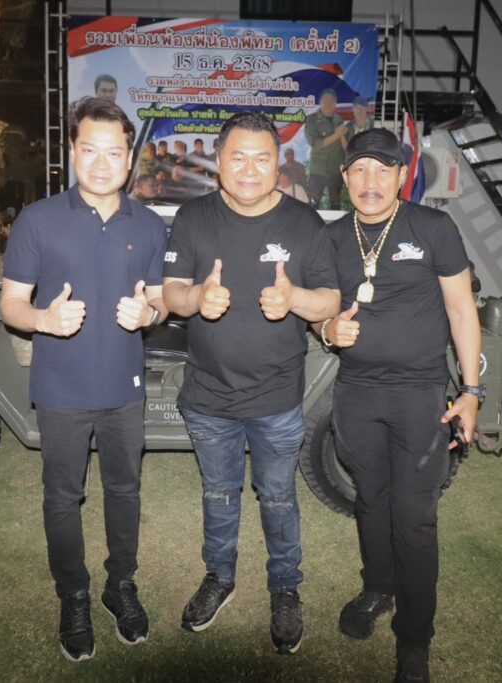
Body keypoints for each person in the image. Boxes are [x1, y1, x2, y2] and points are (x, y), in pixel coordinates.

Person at [162, 111, 340, 655]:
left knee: (279, 497)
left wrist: (294, 299)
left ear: (278, 162)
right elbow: (171, 292)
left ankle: (285, 587)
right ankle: (220, 577)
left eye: (262, 158)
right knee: (218, 493)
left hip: (276, 398)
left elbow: (329, 301)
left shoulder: (304, 223)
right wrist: (197, 298)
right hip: (208, 395)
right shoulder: (193, 216)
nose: (249, 168)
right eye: (237, 157)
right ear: (218, 161)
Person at [0, 96, 169, 663]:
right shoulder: (38, 219)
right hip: (61, 390)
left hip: (124, 387)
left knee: (125, 490)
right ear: (72, 151)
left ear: (130, 158)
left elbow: (160, 299)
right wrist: (44, 320)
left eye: (114, 152)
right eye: (90, 150)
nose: (102, 163)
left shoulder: (148, 224)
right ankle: (72, 594)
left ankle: (120, 584)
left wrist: (148, 314)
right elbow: (11, 304)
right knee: (62, 496)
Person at [311, 128, 482, 683]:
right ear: (344, 178)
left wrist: (472, 393)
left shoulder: (433, 228)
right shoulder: (331, 238)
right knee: (370, 500)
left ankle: (414, 637)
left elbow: (461, 311)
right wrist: (327, 328)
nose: (371, 181)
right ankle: (377, 588)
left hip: (419, 395)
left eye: (383, 169)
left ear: (401, 176)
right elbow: (321, 309)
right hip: (356, 393)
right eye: (360, 169)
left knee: (414, 517)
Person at [303, 88, 347, 209]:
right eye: (325, 101)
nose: (328, 104)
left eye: (331, 101)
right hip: (318, 170)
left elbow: (345, 146)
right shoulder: (311, 120)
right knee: (312, 205)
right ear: (320, 103)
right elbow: (316, 144)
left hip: (336, 171)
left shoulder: (340, 120)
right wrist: (337, 135)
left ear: (335, 103)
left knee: (336, 206)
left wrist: (342, 135)